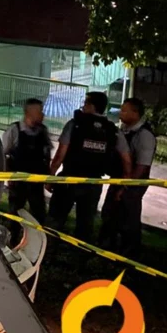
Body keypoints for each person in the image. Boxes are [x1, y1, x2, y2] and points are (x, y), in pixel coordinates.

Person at [46, 91, 132, 242]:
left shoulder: (75, 125)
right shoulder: (113, 131)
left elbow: (60, 155)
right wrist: (124, 184)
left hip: (69, 179)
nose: (83, 106)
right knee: (85, 225)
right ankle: (81, 258)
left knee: (55, 220)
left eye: (85, 103)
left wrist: (50, 176)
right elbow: (127, 161)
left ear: (92, 106)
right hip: (93, 184)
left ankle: (47, 250)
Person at [98, 97, 157, 256]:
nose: (120, 113)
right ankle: (107, 250)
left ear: (135, 113)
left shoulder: (145, 136)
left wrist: (125, 188)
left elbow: (142, 167)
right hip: (120, 180)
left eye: (124, 110)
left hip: (133, 185)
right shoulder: (124, 130)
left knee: (128, 221)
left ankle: (128, 255)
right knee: (109, 215)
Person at [1, 98, 53, 245]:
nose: (43, 115)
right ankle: (12, 243)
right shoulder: (14, 130)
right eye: (39, 112)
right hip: (18, 183)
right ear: (28, 113)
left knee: (38, 215)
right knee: (15, 215)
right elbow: (3, 154)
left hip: (36, 183)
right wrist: (8, 176)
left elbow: (46, 155)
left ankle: (36, 244)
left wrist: (48, 177)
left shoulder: (42, 131)